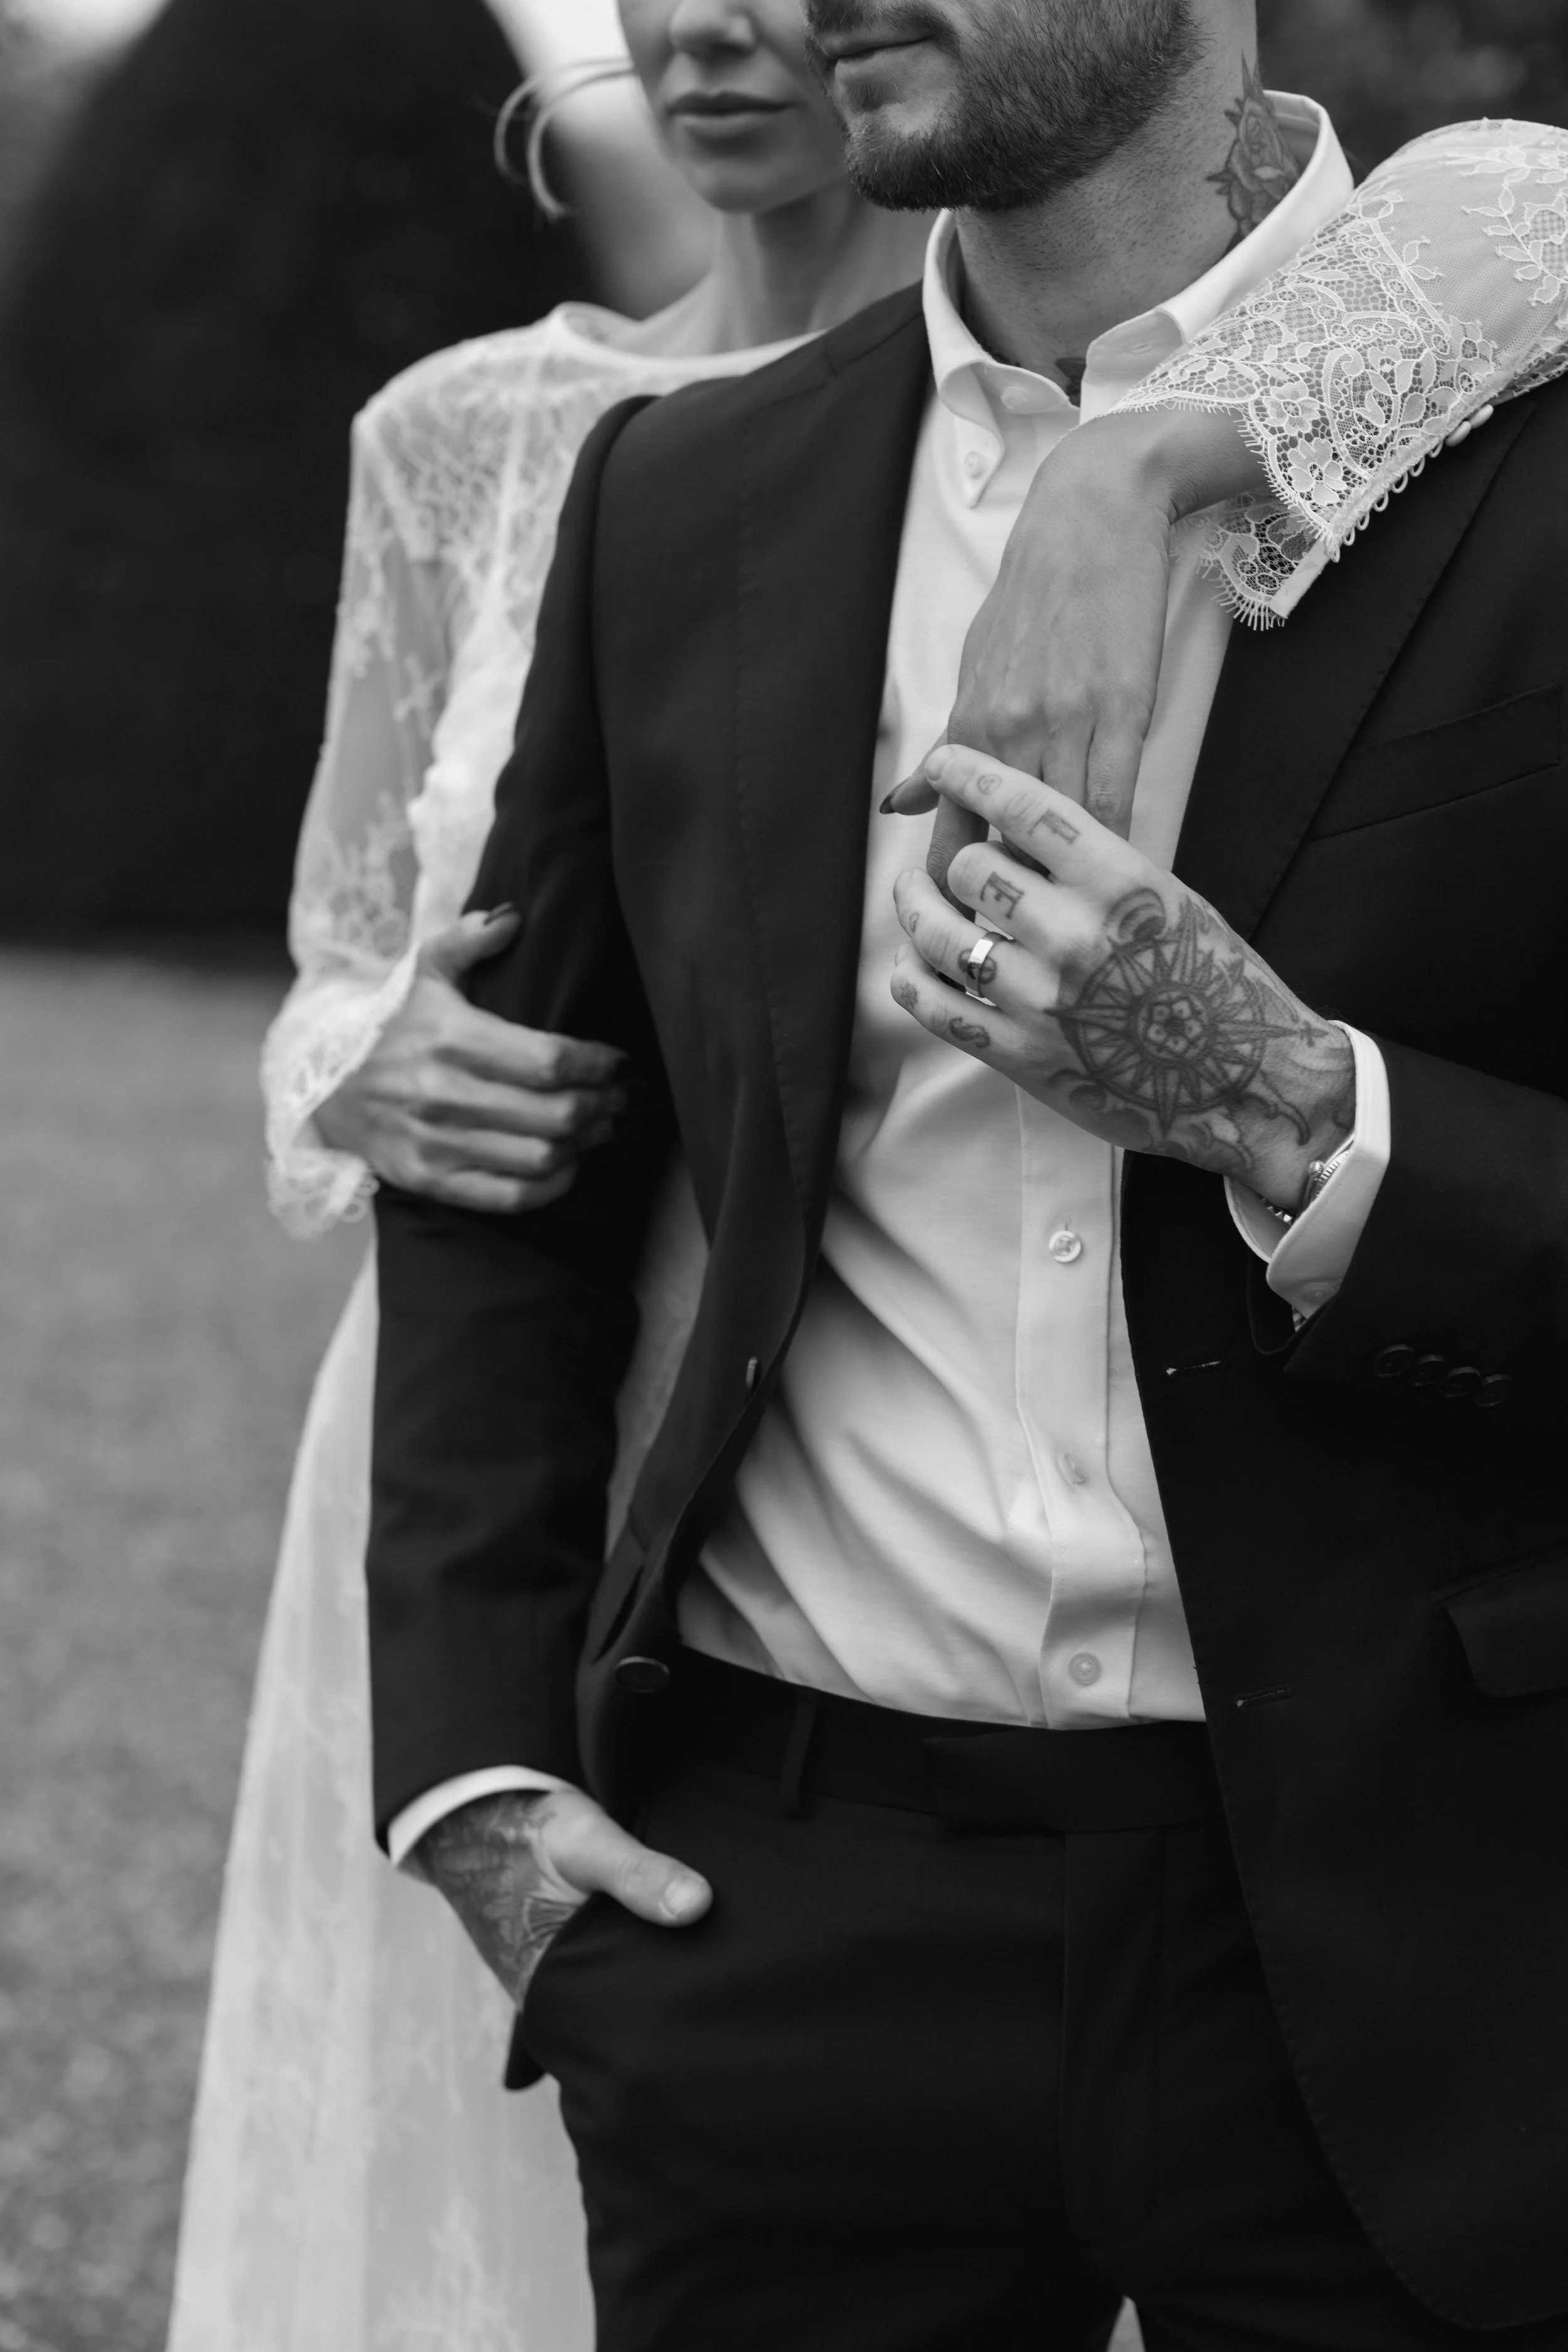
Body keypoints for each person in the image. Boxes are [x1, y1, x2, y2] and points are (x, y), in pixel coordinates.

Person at [365, 0, 1568, 2339]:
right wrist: (474, 1767)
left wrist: (1288, 1107)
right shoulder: (682, 495)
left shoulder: (1533, 446)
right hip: (784, 1934)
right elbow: (515, 1153)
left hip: (1450, 1940)